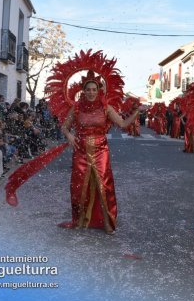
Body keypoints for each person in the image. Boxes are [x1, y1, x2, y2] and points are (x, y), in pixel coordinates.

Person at [59, 74, 138, 234]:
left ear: (99, 90)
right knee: (78, 186)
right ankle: (81, 219)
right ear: (83, 91)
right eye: (88, 89)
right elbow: (64, 127)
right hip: (80, 150)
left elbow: (122, 123)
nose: (91, 92)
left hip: (101, 150)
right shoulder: (76, 108)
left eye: (94, 89)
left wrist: (136, 113)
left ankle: (108, 222)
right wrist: (69, 136)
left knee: (105, 186)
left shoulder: (106, 107)